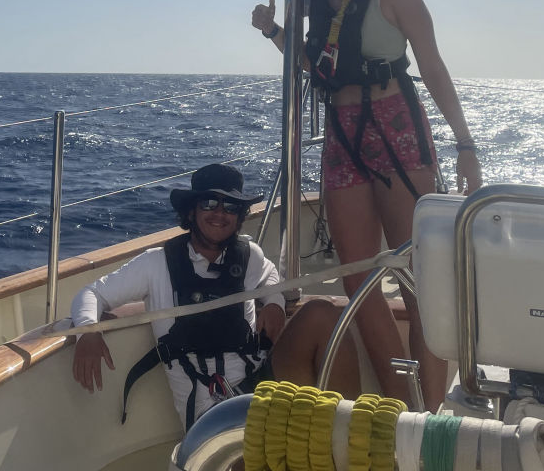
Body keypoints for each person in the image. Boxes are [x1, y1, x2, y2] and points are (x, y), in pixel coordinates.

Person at [250, 0, 482, 408]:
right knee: (358, 278)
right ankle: (401, 407)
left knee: (417, 276)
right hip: (342, 132)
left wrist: (465, 144)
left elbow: (433, 65)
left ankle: (431, 414)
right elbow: (315, 64)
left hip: (395, 125)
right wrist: (273, 32)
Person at [71, 162, 356, 430]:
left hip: (260, 387)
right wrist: (88, 331)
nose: (220, 213)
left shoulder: (249, 256)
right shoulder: (155, 264)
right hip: (211, 418)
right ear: (191, 212)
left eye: (230, 207)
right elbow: (92, 293)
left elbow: (271, 277)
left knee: (322, 314)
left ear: (239, 216)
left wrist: (274, 303)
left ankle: (349, 433)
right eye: (209, 203)